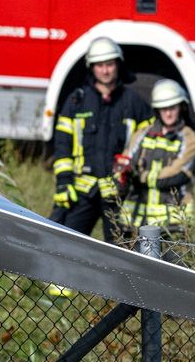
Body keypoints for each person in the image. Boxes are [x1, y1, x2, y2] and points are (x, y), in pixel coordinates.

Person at [50, 37, 147, 245]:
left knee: (121, 252)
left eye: (109, 64)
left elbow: (150, 142)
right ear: (91, 68)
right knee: (65, 246)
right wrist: (64, 182)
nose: (105, 71)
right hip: (81, 191)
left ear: (118, 65)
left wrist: (134, 172)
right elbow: (62, 146)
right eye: (100, 65)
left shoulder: (133, 102)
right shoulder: (77, 101)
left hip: (118, 193)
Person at [118, 81, 195, 237]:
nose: (168, 113)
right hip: (137, 222)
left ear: (181, 107)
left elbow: (176, 175)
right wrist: (122, 173)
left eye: (172, 108)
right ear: (157, 110)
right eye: (164, 109)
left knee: (174, 262)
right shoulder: (142, 133)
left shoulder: (190, 138)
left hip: (173, 224)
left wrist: (141, 176)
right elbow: (126, 161)